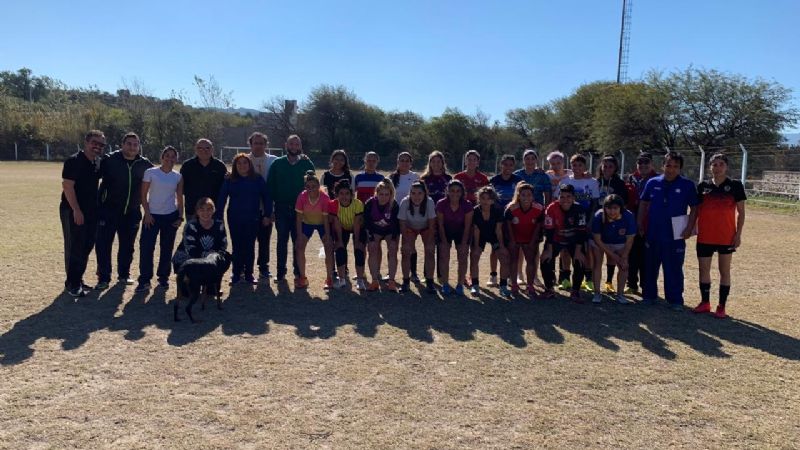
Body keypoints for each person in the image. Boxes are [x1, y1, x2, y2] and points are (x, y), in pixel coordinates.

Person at [637, 152, 699, 311]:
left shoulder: (687, 185)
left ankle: (675, 299)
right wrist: (640, 224)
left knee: (674, 268)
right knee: (650, 266)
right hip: (653, 232)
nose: (671, 169)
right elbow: (643, 203)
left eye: (675, 166)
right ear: (662, 166)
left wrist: (689, 227)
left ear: (680, 168)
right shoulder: (652, 182)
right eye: (668, 165)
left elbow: (694, 208)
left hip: (675, 234)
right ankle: (649, 296)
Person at [94, 132, 153, 289]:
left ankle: (124, 275)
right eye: (129, 144)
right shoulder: (109, 160)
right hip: (108, 211)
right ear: (122, 145)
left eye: (135, 144)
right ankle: (104, 278)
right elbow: (92, 176)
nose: (132, 147)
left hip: (132, 212)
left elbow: (157, 179)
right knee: (103, 244)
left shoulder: (144, 164)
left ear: (139, 146)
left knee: (127, 245)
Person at [692, 153, 746, 319]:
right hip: (705, 236)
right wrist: (692, 228)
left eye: (721, 164)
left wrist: (738, 234)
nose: (717, 167)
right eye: (714, 164)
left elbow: (741, 212)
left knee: (724, 271)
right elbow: (695, 211)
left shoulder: (735, 185)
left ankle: (721, 306)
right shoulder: (702, 186)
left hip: (726, 236)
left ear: (726, 167)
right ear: (710, 167)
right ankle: (705, 302)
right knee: (704, 270)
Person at [60, 130, 105, 297]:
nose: (97, 147)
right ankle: (72, 284)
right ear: (86, 142)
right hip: (72, 210)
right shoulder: (74, 161)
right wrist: (76, 210)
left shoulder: (97, 162)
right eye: (95, 142)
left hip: (91, 211)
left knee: (87, 245)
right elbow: (67, 186)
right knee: (75, 246)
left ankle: (77, 279)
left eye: (101, 145)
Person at [216, 153, 271, 284]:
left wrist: (267, 215)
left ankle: (249, 274)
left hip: (253, 218)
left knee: (249, 246)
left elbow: (267, 197)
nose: (242, 166)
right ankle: (236, 273)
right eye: (239, 163)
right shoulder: (230, 179)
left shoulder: (257, 179)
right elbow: (222, 199)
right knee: (237, 246)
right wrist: (218, 216)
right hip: (235, 218)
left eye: (245, 163)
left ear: (249, 164)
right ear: (235, 166)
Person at [267, 135, 315, 283]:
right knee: (282, 240)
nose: (294, 146)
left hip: (299, 210)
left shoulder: (307, 163)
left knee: (298, 240)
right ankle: (280, 273)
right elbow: (270, 187)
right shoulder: (277, 163)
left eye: (297, 144)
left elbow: (313, 188)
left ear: (300, 146)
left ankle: (298, 272)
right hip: (281, 208)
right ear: (286, 145)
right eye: (291, 144)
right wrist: (271, 210)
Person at [135, 146, 184, 292]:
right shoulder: (151, 173)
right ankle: (144, 280)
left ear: (176, 159)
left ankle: (163, 278)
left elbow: (180, 199)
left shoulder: (178, 176)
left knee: (166, 248)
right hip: (152, 217)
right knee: (146, 247)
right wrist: (148, 214)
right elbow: (143, 196)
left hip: (170, 217)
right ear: (162, 157)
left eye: (173, 156)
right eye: (167, 156)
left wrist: (180, 217)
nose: (170, 159)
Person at [540, 184, 588, 302]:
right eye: (562, 197)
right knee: (545, 259)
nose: (565, 200)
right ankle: (549, 289)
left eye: (568, 197)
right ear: (558, 197)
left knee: (580, 260)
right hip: (556, 239)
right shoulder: (551, 208)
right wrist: (549, 250)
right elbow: (549, 231)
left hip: (573, 240)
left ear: (573, 198)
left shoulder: (580, 209)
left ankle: (575, 291)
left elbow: (581, 232)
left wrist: (578, 251)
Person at [514, 149, 552, 287]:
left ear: (536, 160)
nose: (529, 161)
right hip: (520, 215)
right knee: (519, 245)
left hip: (537, 214)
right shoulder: (517, 175)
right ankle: (519, 274)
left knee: (534, 246)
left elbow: (548, 195)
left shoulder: (542, 176)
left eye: (532, 158)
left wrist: (546, 211)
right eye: (527, 158)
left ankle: (534, 275)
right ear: (523, 160)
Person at [563, 154, 600, 292]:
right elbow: (560, 201)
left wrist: (590, 221)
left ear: (585, 167)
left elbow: (595, 202)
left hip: (586, 221)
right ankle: (565, 278)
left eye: (580, 165)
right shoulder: (566, 181)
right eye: (574, 165)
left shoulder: (592, 182)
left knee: (587, 250)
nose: (577, 168)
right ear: (571, 166)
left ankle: (588, 279)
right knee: (566, 250)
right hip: (569, 222)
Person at [589, 194, 636, 304]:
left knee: (624, 266)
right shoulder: (599, 216)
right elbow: (597, 239)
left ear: (621, 208)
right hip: (600, 242)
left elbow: (630, 240)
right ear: (604, 207)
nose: (612, 211)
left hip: (619, 242)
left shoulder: (628, 216)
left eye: (615, 208)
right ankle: (597, 293)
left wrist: (623, 257)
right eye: (609, 208)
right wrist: (614, 256)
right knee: (597, 264)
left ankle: (620, 294)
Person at [246, 132, 279, 281]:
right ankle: (246, 269)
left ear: (266, 145)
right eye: (255, 143)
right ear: (250, 144)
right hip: (248, 209)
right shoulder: (243, 160)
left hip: (266, 208)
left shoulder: (274, 161)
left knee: (264, 240)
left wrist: (271, 210)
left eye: (261, 143)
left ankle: (263, 267)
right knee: (247, 240)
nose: (258, 146)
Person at [294, 171, 334, 289]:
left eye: (314, 186)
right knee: (299, 247)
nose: (311, 189)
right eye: (308, 187)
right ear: (305, 187)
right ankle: (302, 278)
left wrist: (327, 234)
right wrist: (299, 235)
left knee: (328, 247)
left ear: (318, 186)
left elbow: (326, 218)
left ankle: (329, 278)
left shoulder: (324, 197)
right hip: (307, 223)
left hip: (322, 224)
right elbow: (299, 218)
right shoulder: (302, 196)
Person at [595, 155, 629, 294]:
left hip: (613, 222)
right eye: (605, 166)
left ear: (615, 168)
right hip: (598, 220)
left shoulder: (620, 184)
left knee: (612, 254)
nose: (607, 169)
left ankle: (609, 281)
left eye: (611, 166)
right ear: (601, 167)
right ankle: (590, 280)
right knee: (596, 254)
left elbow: (623, 204)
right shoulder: (595, 182)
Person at [625, 152, 658, 294]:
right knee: (632, 255)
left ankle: (647, 286)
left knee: (648, 257)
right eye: (640, 163)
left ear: (652, 164)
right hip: (632, 222)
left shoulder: (658, 180)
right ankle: (632, 284)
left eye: (646, 163)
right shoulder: (631, 179)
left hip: (650, 223)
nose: (643, 166)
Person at [505, 183, 545, 297]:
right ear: (518, 195)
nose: (526, 198)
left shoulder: (539, 209)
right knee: (513, 260)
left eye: (529, 195)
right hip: (515, 238)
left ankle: (530, 285)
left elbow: (538, 226)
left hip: (530, 238)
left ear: (533, 196)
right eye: (523, 195)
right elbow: (508, 226)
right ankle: (514, 284)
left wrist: (533, 242)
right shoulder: (511, 208)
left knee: (530, 261)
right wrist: (512, 241)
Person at [470, 186, 511, 297]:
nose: (485, 201)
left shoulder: (498, 210)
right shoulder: (475, 211)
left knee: (503, 256)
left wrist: (501, 246)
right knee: (474, 255)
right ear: (479, 199)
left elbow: (498, 230)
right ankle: (475, 285)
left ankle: (503, 286)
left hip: (494, 235)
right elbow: (476, 230)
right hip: (480, 235)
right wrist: (477, 247)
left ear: (493, 200)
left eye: (488, 198)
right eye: (482, 198)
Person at [488, 154, 522, 286]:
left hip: (512, 218)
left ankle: (510, 275)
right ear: (500, 165)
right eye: (505, 164)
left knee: (512, 247)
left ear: (514, 166)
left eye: (510, 165)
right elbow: (489, 199)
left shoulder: (518, 180)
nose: (507, 167)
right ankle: (493, 275)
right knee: (495, 247)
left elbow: (522, 198)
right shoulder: (494, 180)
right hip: (497, 218)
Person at [436, 180, 473, 296]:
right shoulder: (441, 203)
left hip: (461, 232)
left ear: (462, 192)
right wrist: (444, 241)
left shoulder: (467, 205)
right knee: (444, 256)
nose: (455, 194)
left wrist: (463, 243)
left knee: (462, 256)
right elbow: (440, 224)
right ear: (447, 191)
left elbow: (467, 226)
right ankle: (445, 284)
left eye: (458, 191)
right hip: (445, 231)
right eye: (452, 191)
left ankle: (460, 284)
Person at [398, 181, 436, 293]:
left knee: (430, 251)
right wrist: (407, 243)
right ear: (409, 193)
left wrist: (429, 243)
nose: (416, 196)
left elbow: (432, 224)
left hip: (426, 227)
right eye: (413, 193)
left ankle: (430, 282)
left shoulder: (429, 202)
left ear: (425, 193)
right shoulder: (405, 202)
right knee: (405, 252)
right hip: (409, 228)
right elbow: (402, 223)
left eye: (419, 193)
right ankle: (406, 281)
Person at [172, 197, 228, 273]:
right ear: (197, 212)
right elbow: (190, 248)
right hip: (189, 260)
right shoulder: (191, 226)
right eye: (202, 210)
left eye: (209, 209)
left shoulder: (219, 225)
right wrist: (207, 257)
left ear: (213, 210)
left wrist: (214, 257)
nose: (205, 213)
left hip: (210, 261)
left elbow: (223, 245)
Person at [364, 179, 401, 292]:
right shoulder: (370, 203)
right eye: (381, 194)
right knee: (372, 248)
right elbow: (367, 222)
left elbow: (396, 224)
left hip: (389, 230)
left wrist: (394, 239)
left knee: (393, 249)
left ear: (390, 194)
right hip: (375, 230)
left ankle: (391, 281)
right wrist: (370, 238)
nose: (384, 197)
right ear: (376, 193)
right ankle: (374, 280)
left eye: (387, 194)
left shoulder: (394, 205)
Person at [329, 180, 367, 290]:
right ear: (336, 195)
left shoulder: (357, 203)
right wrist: (339, 241)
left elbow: (356, 224)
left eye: (347, 194)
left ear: (351, 194)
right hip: (342, 227)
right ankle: (342, 280)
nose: (344, 196)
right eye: (341, 193)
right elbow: (336, 223)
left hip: (357, 227)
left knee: (359, 250)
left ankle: (360, 280)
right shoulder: (333, 204)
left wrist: (357, 242)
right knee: (340, 249)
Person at [390, 152, 421, 281]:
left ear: (410, 163)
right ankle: (391, 273)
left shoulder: (415, 177)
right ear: (398, 162)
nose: (404, 163)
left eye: (407, 160)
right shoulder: (391, 177)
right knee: (393, 246)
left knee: (410, 245)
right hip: (395, 215)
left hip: (411, 215)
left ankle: (413, 273)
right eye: (401, 160)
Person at [180, 138, 227, 220]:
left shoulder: (220, 166)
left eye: (207, 148)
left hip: (213, 212)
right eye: (200, 148)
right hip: (192, 211)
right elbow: (181, 188)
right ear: (195, 149)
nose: (204, 151)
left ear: (212, 149)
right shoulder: (187, 166)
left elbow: (225, 189)